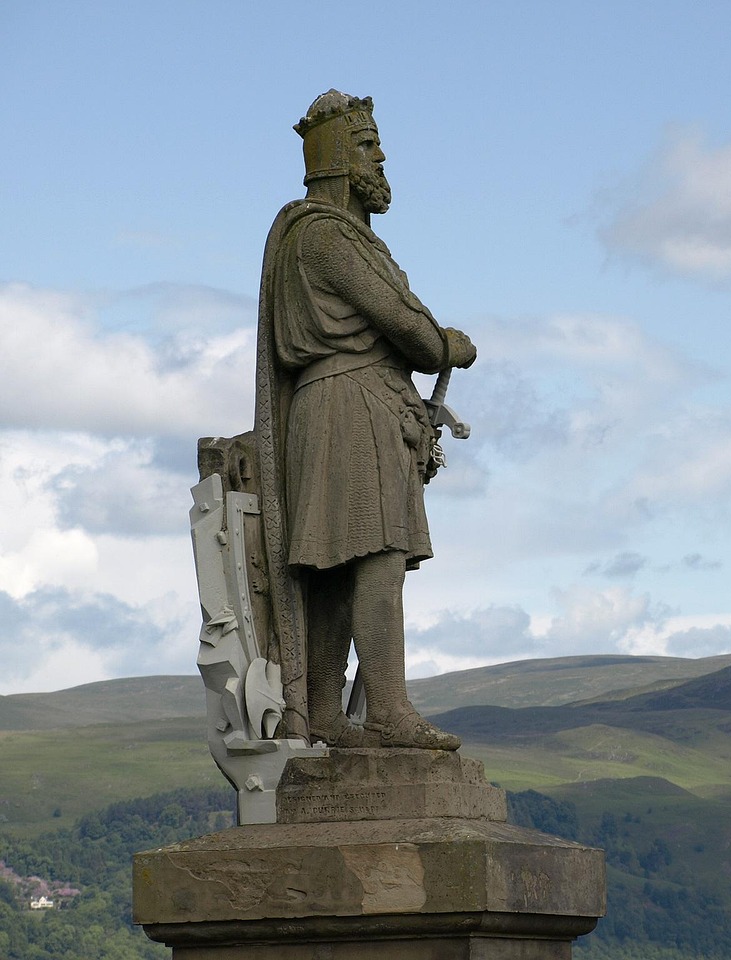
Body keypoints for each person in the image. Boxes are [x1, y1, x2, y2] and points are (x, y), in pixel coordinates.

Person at [254, 90, 475, 749]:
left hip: (356, 407)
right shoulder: (324, 237)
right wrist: (446, 345)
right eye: (370, 146)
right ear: (341, 161)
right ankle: (387, 711)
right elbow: (403, 323)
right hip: (347, 407)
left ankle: (327, 713)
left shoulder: (339, 237)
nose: (383, 159)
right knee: (374, 554)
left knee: (341, 563)